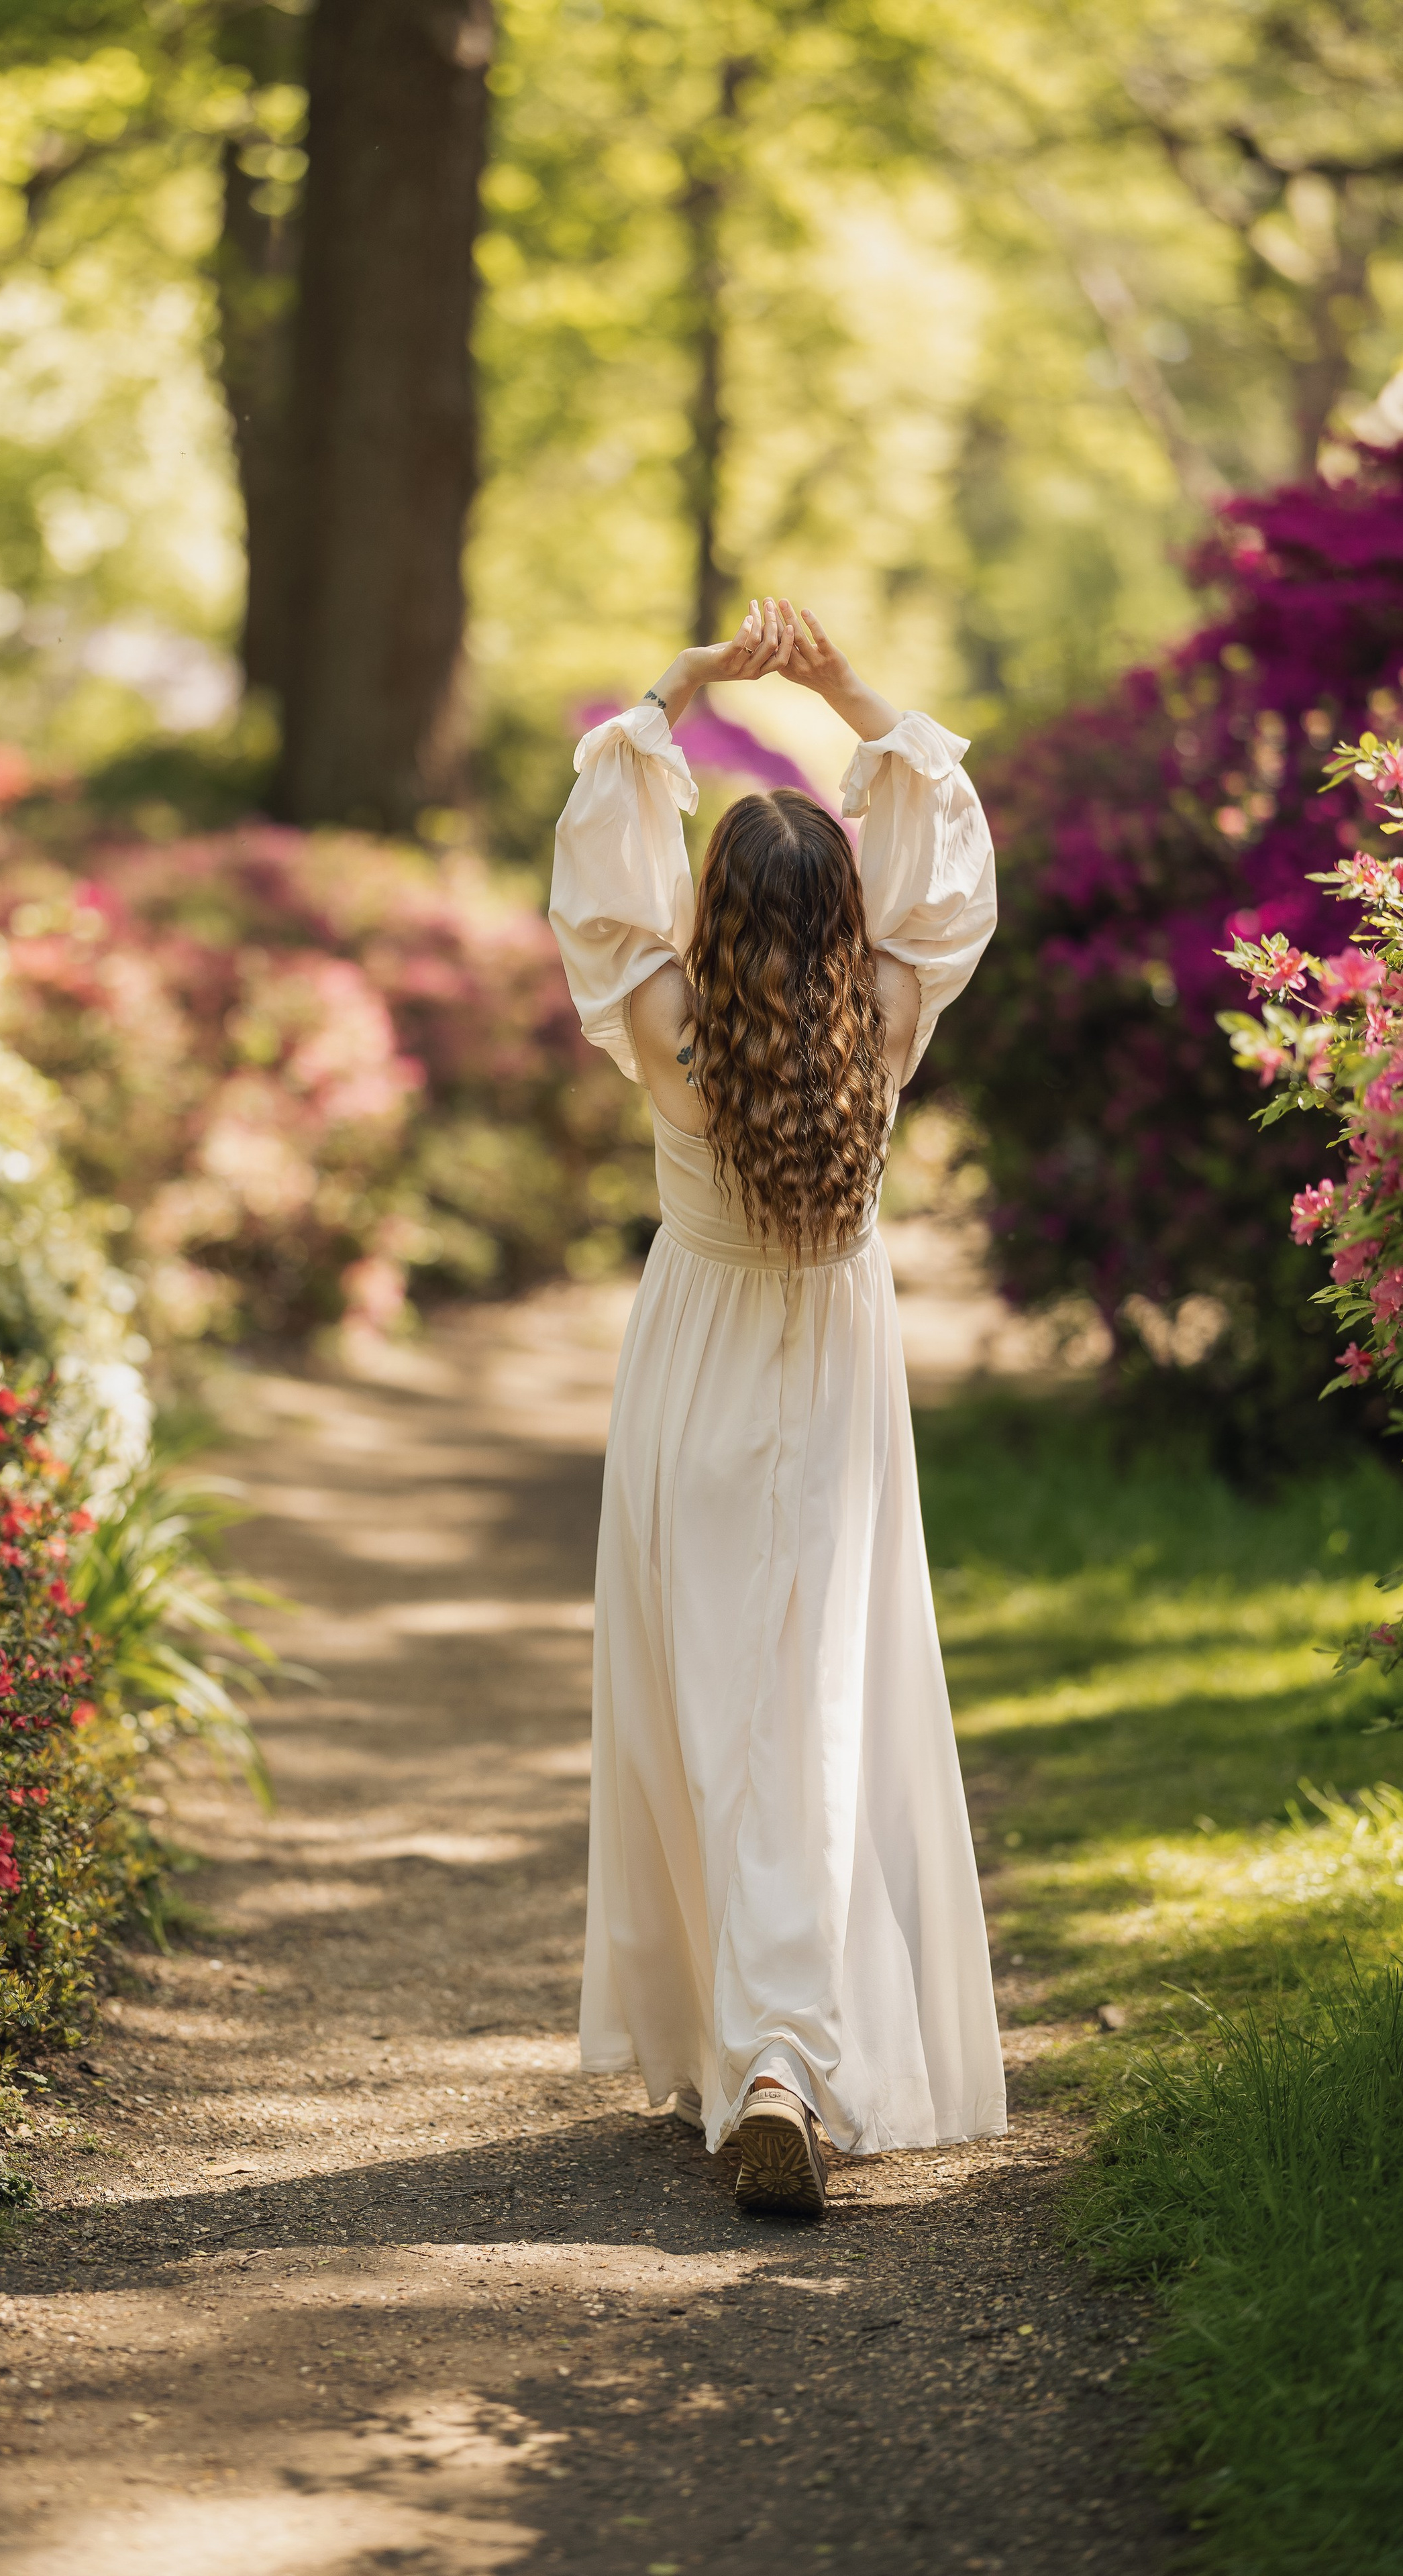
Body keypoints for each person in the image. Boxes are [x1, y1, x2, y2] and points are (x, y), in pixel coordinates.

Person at [550, 596, 1006, 2216]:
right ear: (844, 917)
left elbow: (598, 874)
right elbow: (948, 855)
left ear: (713, 909)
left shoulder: (662, 1022)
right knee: (808, 1711)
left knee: (707, 1712)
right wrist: (851, 693)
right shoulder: (884, 1019)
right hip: (828, 1389)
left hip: (692, 1377)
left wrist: (676, 691)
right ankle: (778, 2059)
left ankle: (761, 2057)